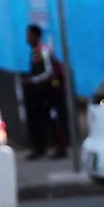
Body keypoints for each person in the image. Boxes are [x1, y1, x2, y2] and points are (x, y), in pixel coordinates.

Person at [23, 23, 68, 160]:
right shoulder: (34, 52)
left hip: (50, 91)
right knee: (39, 119)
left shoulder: (43, 51)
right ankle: (39, 148)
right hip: (40, 91)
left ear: (36, 36)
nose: (27, 38)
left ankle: (60, 147)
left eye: (30, 35)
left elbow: (49, 71)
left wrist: (33, 80)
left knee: (54, 118)